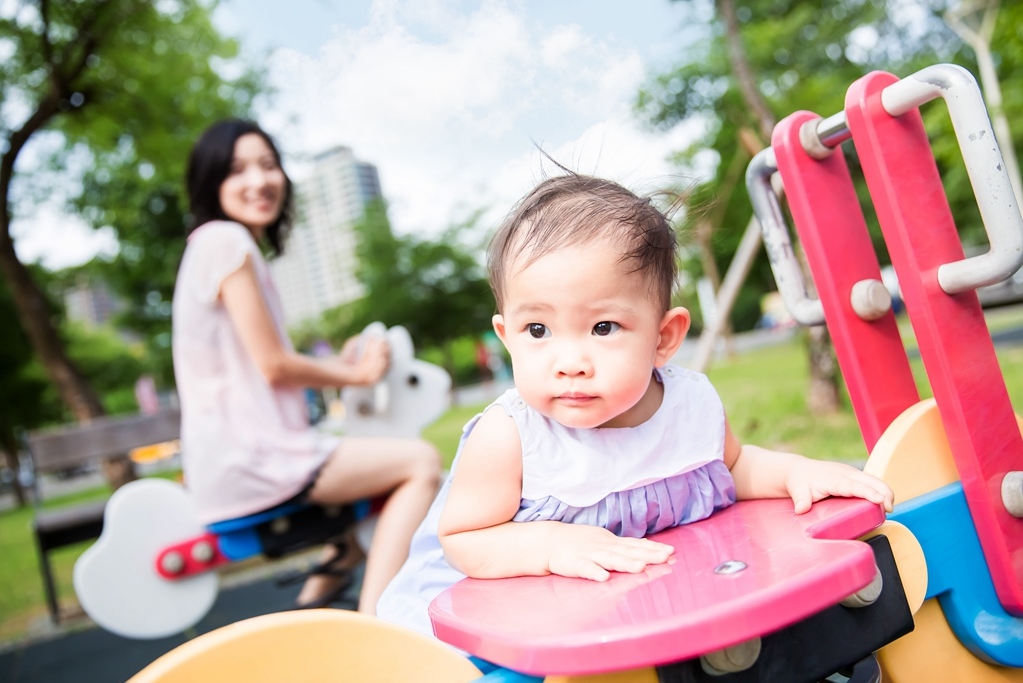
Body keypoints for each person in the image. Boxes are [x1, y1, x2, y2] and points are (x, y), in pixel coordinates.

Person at [376, 173, 894, 637]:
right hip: (482, 624)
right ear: (506, 335)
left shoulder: (689, 404)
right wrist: (553, 546)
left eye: (604, 328)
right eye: (538, 330)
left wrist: (795, 473)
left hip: (627, 608)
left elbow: (731, 467)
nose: (570, 361)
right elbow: (466, 536)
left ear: (664, 337)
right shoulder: (512, 435)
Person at [171, 119, 442, 614]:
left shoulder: (223, 246)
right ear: (212, 183)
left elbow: (259, 367)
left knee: (368, 515)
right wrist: (357, 376)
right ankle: (376, 625)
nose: (259, 181)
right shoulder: (225, 242)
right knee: (420, 462)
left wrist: (337, 365)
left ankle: (309, 617)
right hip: (254, 457)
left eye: (269, 165)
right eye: (237, 170)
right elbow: (273, 366)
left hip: (240, 454)